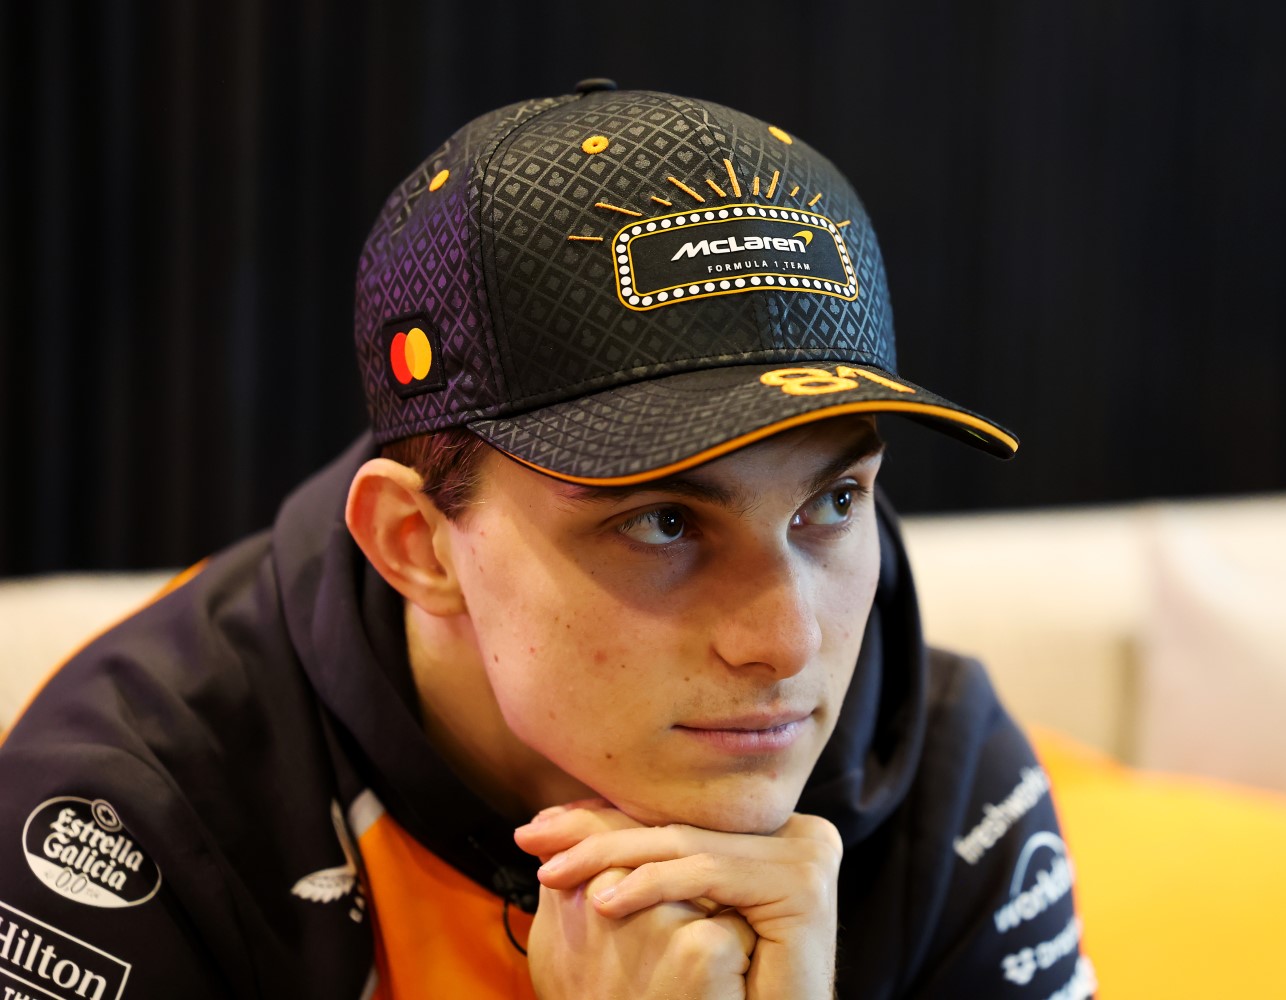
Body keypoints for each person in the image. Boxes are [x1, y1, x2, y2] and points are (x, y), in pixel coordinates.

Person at [0, 80, 1094, 999]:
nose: (788, 641)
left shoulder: (945, 773)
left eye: (833, 503)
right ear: (417, 544)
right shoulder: (124, 821)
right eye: (664, 522)